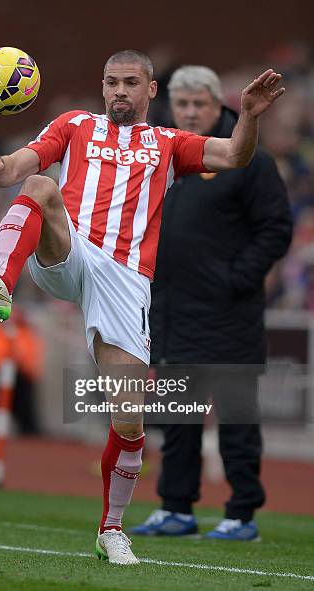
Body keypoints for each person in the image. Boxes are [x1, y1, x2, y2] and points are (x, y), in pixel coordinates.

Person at [0, 50, 284, 564]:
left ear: (152, 91)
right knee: (40, 186)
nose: (119, 92)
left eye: (131, 82)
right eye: (111, 82)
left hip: (126, 281)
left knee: (129, 423)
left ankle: (111, 529)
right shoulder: (74, 125)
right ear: (101, 86)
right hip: (71, 250)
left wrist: (249, 115)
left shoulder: (170, 143)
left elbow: (235, 156)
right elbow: (18, 168)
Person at [130, 66, 292, 541]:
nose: (191, 112)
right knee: (177, 421)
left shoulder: (248, 158)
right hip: (174, 315)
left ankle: (242, 514)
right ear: (172, 107)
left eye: (200, 103)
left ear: (218, 104)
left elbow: (277, 228)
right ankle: (176, 508)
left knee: (237, 419)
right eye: (183, 105)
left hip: (231, 316)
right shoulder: (163, 153)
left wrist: (235, 279)